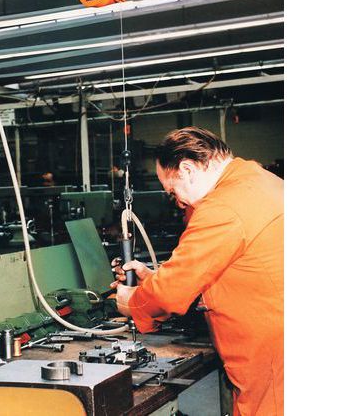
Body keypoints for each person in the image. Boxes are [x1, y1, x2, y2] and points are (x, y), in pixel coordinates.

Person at [111, 127, 283, 416]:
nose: (179, 202)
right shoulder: (260, 181)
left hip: (273, 362)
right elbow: (235, 270)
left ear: (188, 170)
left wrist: (133, 300)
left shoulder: (225, 205)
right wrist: (154, 279)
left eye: (173, 191)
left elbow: (169, 294)